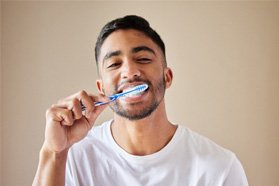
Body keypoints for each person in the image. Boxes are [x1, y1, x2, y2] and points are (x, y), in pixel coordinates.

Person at [33, 15, 248, 186]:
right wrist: (55, 153)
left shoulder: (220, 168)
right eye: (114, 64)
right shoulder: (72, 157)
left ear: (167, 77)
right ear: (101, 89)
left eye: (143, 59)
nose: (130, 71)